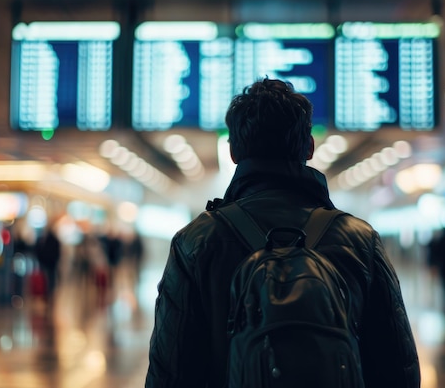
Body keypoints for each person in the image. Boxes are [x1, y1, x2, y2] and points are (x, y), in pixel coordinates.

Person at [145, 78, 420, 388]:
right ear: (310, 147)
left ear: (233, 151)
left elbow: (170, 371)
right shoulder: (360, 240)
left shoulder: (196, 241)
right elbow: (399, 367)